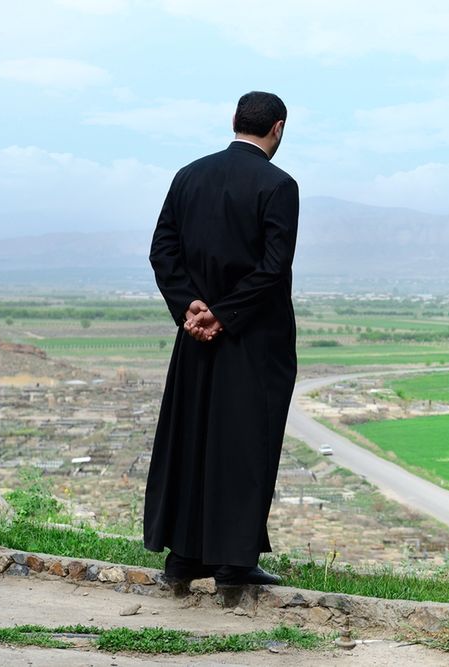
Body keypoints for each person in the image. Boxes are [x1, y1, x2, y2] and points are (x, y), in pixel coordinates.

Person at [144, 91, 299, 587]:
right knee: (245, 446)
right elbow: (273, 268)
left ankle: (183, 558)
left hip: (194, 337)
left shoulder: (188, 176)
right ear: (278, 128)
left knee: (192, 439)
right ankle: (234, 564)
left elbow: (161, 250)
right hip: (253, 340)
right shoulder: (279, 185)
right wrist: (225, 315)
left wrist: (191, 306)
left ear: (234, 121)